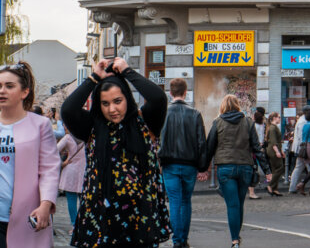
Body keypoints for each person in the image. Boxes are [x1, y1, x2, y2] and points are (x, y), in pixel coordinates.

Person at [62, 57, 170, 248]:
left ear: (127, 98)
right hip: (101, 220)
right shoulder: (93, 127)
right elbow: (68, 109)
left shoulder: (145, 121)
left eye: (118, 101)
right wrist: (94, 77)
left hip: (140, 219)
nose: (112, 109)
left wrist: (128, 72)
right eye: (105, 103)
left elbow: (158, 98)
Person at [0, 61, 59, 248]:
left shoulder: (40, 125)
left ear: (24, 92)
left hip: (26, 214)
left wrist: (45, 204)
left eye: (9, 86)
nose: (2, 91)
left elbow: (49, 169)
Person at [202, 94, 271, 248]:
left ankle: (234, 241)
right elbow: (256, 148)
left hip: (225, 167)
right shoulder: (248, 122)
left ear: (223, 106)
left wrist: (203, 168)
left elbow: (210, 147)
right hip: (245, 167)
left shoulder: (218, 122)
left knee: (232, 205)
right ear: (237, 105)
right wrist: (266, 169)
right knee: (239, 204)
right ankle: (236, 238)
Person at [158, 77, 208, 248]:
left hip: (169, 164)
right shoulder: (194, 113)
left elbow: (159, 140)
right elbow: (202, 142)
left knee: (174, 201)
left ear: (170, 93)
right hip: (190, 164)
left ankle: (177, 240)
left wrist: (159, 162)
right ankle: (183, 239)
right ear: (185, 92)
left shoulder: (164, 114)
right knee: (186, 201)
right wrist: (202, 167)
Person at [57, 132, 86, 226]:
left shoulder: (68, 137)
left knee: (71, 199)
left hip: (71, 171)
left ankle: (74, 224)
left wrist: (61, 163)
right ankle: (83, 223)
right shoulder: (87, 136)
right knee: (84, 200)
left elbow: (54, 150)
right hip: (84, 171)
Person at [288, 106, 310, 194]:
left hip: (302, 148)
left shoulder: (302, 120)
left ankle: (297, 187)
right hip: (304, 148)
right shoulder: (303, 122)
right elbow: (302, 137)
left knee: (301, 167)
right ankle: (305, 185)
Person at [265, 112, 286, 195]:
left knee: (275, 169)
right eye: (279, 117)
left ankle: (275, 189)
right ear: (274, 118)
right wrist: (277, 151)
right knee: (280, 168)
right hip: (273, 150)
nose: (280, 118)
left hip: (274, 149)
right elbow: (274, 142)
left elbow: (277, 141)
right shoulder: (273, 128)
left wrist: (281, 151)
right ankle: (270, 185)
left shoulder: (273, 127)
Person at [248, 107, 266, 199]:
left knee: (253, 170)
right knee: (254, 170)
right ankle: (251, 192)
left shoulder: (253, 125)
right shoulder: (263, 125)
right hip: (257, 149)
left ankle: (251, 191)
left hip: (253, 150)